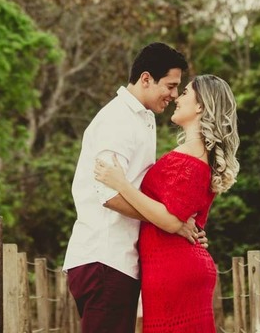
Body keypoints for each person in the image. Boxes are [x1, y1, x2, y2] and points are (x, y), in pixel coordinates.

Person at [63, 42, 206, 333]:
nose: (174, 95)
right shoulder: (117, 120)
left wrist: (174, 222)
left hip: (117, 262)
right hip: (106, 258)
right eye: (170, 86)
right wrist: (170, 223)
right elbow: (109, 194)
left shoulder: (142, 118)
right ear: (146, 79)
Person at [94, 74, 240, 333]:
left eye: (184, 93)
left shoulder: (192, 159)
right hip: (170, 265)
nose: (176, 98)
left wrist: (121, 184)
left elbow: (172, 220)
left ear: (200, 106)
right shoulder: (192, 155)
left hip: (175, 268)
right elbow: (178, 216)